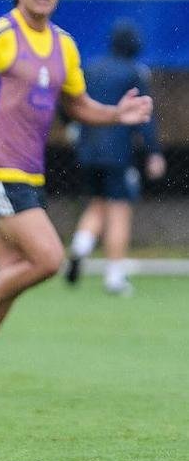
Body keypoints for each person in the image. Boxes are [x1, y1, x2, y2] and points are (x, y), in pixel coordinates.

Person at [0, 0, 152, 396]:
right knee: (49, 259)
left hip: (30, 175)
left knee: (10, 279)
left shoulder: (64, 46)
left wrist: (116, 115)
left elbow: (78, 105)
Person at [65, 20, 164, 295]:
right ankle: (114, 277)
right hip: (118, 153)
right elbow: (143, 114)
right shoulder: (135, 72)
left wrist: (72, 128)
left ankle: (80, 247)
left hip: (88, 150)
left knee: (97, 203)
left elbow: (69, 102)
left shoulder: (90, 69)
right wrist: (154, 152)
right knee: (119, 209)